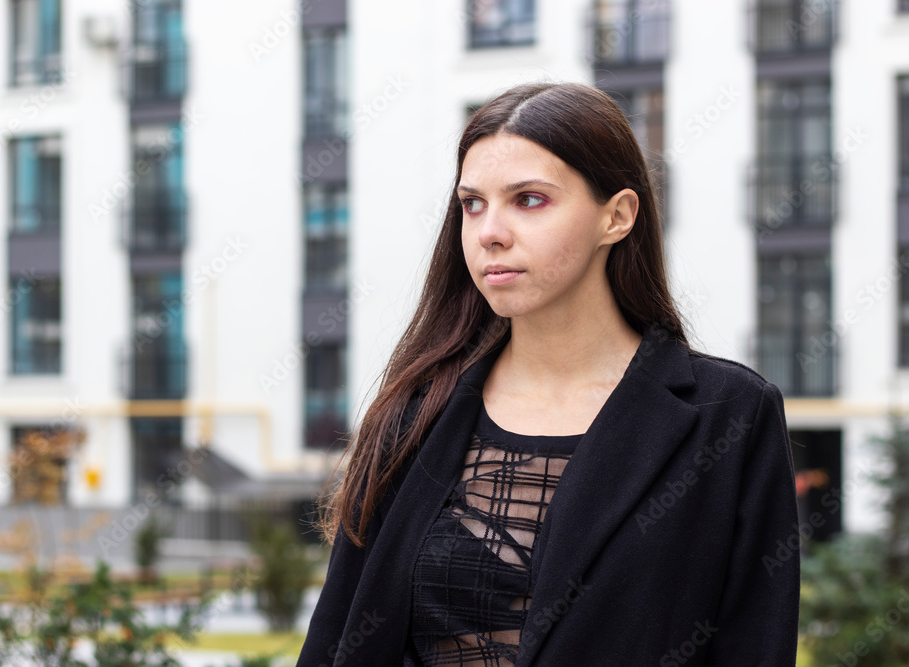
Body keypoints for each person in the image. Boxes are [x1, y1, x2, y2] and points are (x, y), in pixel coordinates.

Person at [296, 81, 800, 667]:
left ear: (617, 217)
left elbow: (753, 643)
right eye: (472, 203)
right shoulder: (415, 410)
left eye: (529, 199)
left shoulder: (729, 416)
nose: (489, 232)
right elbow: (337, 638)